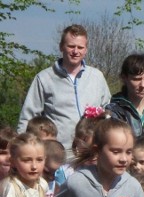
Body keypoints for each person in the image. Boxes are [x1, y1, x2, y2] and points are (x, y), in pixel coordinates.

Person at [17, 25, 111, 159]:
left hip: (92, 157)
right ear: (61, 47)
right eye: (71, 46)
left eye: (80, 47)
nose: (75, 51)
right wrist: (21, 152)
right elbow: (28, 118)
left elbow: (108, 112)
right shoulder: (44, 78)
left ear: (86, 50)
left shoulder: (97, 77)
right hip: (57, 157)